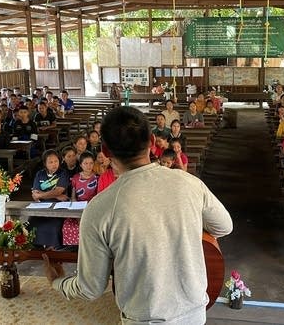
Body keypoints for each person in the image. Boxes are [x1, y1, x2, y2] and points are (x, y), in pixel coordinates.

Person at [44, 106, 232, 324]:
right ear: (152, 141)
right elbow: (223, 226)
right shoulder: (189, 183)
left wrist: (57, 281)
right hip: (194, 313)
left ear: (105, 150)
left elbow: (90, 289)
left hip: (145, 319)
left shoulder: (100, 208)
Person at [31, 149, 69, 249]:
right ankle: (37, 248)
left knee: (54, 225)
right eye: (50, 162)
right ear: (45, 163)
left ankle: (53, 248)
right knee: (32, 222)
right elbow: (35, 195)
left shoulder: (63, 173)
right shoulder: (40, 174)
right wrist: (56, 196)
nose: (54, 164)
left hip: (58, 206)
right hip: (42, 206)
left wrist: (42, 195)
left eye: (56, 161)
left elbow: (58, 191)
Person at [62, 152, 99, 248]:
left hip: (93, 206)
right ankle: (75, 248)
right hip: (78, 206)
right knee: (68, 225)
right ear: (80, 165)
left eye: (91, 163)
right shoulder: (76, 178)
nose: (89, 166)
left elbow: (99, 196)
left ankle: (90, 246)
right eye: (85, 163)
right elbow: (73, 196)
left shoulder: (97, 178)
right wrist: (75, 206)